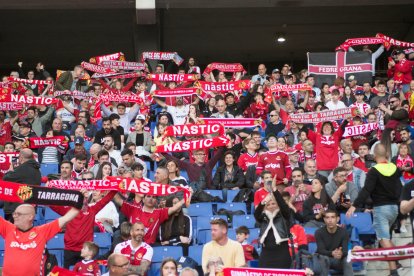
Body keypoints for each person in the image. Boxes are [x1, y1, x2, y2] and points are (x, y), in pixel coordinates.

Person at [347, 143, 402, 276]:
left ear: (374, 156)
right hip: (394, 209)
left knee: (383, 238)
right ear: (387, 155)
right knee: (386, 238)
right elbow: (400, 187)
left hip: (381, 209)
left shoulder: (374, 171)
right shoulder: (395, 168)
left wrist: (355, 205)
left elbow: (367, 190)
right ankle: (397, 260)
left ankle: (394, 271)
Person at [0, 203, 81, 276]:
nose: (14, 216)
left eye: (18, 214)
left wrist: (80, 200)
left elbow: (66, 218)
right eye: (14, 213)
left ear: (30, 216)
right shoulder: (8, 229)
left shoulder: (42, 232)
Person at [50, 189, 117, 268]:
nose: (82, 200)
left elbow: (106, 199)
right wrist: (47, 189)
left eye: (84, 198)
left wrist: (115, 187)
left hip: (86, 251)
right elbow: (51, 204)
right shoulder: (68, 211)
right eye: (80, 197)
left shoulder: (92, 210)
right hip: (70, 250)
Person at [114, 191, 190, 245]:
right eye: (148, 196)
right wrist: (111, 185)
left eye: (153, 197)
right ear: (143, 199)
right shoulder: (133, 208)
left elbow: (174, 208)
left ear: (156, 201)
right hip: (132, 244)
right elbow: (117, 199)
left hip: (149, 246)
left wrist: (187, 196)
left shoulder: (159, 212)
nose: (151, 199)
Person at [254, 175, 292, 269]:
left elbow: (284, 206)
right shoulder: (263, 217)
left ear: (278, 205)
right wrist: (263, 202)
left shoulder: (284, 215)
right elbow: (256, 214)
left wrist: (275, 190)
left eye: (273, 203)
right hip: (266, 255)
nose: (271, 206)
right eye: (269, 204)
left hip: (282, 254)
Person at [3, 148, 41, 222]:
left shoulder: (23, 168)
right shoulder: (37, 169)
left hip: (18, 209)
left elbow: (6, 178)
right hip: (30, 208)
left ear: (21, 157)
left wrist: (10, 170)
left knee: (14, 232)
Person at [315, 209, 354, 276]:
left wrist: (341, 254)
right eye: (327, 217)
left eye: (332, 217)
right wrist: (332, 253)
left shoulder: (344, 232)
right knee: (323, 258)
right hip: (324, 260)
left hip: (338, 260)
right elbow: (320, 250)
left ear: (338, 219)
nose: (330, 220)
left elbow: (345, 250)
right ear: (324, 219)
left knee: (347, 259)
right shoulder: (319, 232)